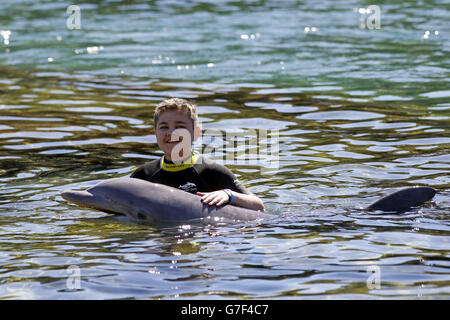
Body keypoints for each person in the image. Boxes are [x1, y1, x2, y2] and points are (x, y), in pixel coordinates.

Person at [130, 98, 265, 212]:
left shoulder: (211, 171)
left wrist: (229, 195)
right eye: (164, 127)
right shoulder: (144, 175)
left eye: (180, 127)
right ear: (156, 133)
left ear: (195, 133)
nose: (171, 133)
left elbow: (259, 206)